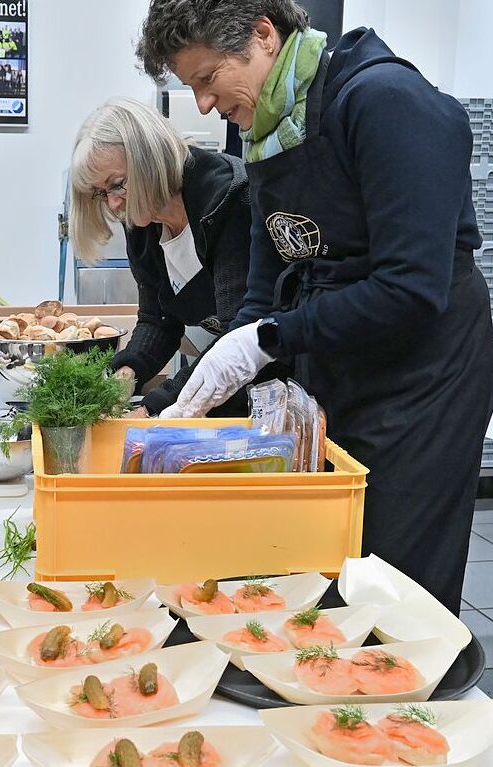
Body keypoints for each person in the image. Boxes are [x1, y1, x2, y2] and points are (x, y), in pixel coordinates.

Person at [139, 0, 493, 612]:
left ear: (262, 35)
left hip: (423, 378)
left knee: (391, 575)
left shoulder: (385, 102)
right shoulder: (273, 132)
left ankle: (399, 697)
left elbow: (411, 288)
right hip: (339, 361)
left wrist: (269, 339)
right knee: (325, 560)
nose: (201, 104)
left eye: (205, 80)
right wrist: (202, 385)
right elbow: (263, 287)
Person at [71, 97, 255, 417]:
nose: (113, 204)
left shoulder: (228, 201)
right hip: (224, 377)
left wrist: (155, 406)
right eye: (102, 194)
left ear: (149, 160)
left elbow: (236, 339)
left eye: (117, 185)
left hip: (277, 379)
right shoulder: (143, 221)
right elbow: (159, 320)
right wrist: (125, 377)